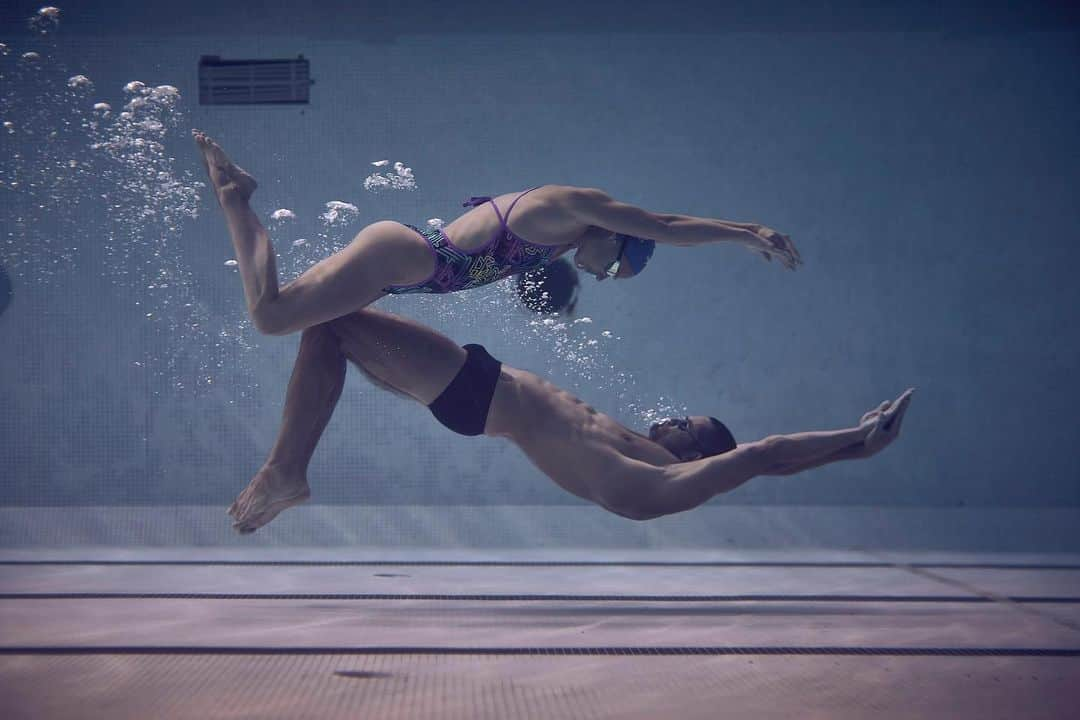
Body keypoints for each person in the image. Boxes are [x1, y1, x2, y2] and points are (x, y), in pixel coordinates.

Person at [227, 306, 914, 534]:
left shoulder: (656, 485)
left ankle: (287, 472)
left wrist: (855, 435)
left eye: (684, 422)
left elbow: (763, 455)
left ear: (697, 452)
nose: (668, 417)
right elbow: (775, 464)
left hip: (478, 392)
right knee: (328, 331)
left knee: (329, 324)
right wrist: (858, 453)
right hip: (480, 390)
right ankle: (287, 469)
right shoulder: (640, 453)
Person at [193, 130, 802, 337]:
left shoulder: (560, 242)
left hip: (402, 276)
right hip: (402, 258)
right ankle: (236, 197)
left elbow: (528, 283)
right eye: (616, 268)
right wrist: (746, 233)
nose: (604, 276)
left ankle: (236, 197)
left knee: (295, 323)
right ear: (618, 238)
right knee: (271, 318)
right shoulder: (570, 205)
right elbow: (667, 227)